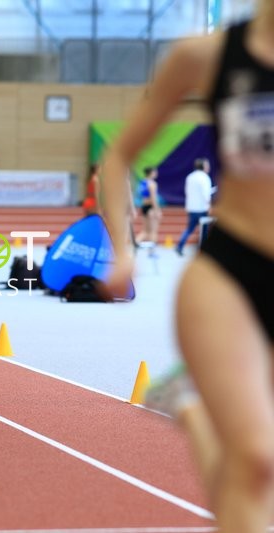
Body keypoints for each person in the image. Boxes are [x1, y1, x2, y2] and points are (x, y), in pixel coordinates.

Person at [102, 6, 274, 530]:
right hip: (230, 273)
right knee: (259, 460)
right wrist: (123, 247)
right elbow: (118, 156)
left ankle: (192, 407)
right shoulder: (207, 54)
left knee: (249, 471)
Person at [175, 158, 213, 256]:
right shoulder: (205, 178)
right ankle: (203, 251)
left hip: (192, 207)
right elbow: (206, 194)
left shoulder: (190, 177)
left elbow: (187, 192)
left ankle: (179, 246)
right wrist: (209, 205)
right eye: (207, 165)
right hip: (202, 208)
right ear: (204, 166)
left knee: (190, 228)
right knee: (204, 230)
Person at [137, 166, 162, 245]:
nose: (156, 173)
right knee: (153, 231)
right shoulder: (152, 184)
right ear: (151, 173)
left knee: (145, 231)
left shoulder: (143, 182)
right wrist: (157, 210)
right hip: (151, 208)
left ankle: (136, 243)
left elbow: (143, 195)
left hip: (144, 206)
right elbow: (153, 198)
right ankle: (152, 251)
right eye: (155, 172)